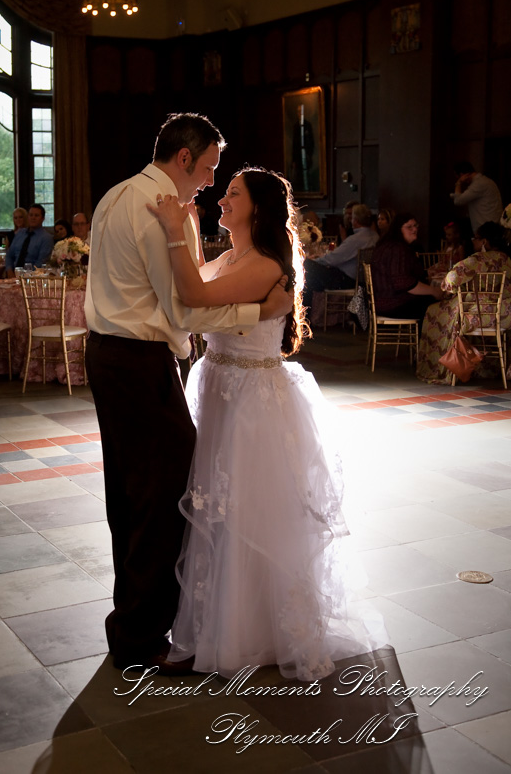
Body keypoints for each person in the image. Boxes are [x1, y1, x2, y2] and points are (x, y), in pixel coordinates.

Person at [149, 167, 385, 679]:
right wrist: (189, 234)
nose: (222, 199)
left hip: (251, 401)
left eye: (233, 194)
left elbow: (195, 296)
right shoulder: (233, 257)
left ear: (258, 208)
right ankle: (215, 626)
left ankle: (248, 633)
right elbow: (195, 279)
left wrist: (174, 230)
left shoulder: (264, 263)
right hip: (220, 386)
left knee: (246, 511)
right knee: (217, 507)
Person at [84, 113, 292, 675]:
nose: (210, 182)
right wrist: (257, 312)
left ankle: (131, 621)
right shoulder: (160, 210)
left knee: (130, 492)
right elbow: (184, 308)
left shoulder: (115, 196)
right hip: (139, 360)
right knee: (162, 495)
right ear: (184, 159)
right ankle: (141, 633)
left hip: (107, 354)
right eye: (208, 168)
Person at [417, 221, 511, 384]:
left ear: (484, 242)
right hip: (504, 314)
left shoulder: (477, 259)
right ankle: (489, 367)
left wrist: (447, 287)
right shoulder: (507, 259)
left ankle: (443, 367)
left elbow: (451, 279)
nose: (473, 241)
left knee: (433, 311)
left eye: (476, 238)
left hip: (477, 314)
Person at [371, 212, 443, 325]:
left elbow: (396, 274)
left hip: (381, 302)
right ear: (398, 230)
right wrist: (434, 291)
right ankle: (430, 337)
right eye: (409, 227)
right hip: (393, 305)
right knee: (439, 305)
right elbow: (404, 283)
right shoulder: (397, 249)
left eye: (415, 226)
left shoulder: (388, 245)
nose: (414, 229)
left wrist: (425, 274)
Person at [303, 203, 378, 309]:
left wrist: (315, 261)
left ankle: (307, 310)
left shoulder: (355, 239)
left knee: (306, 265)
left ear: (355, 220)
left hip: (345, 281)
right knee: (311, 278)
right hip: (362, 280)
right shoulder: (374, 236)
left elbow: (332, 259)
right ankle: (312, 310)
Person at [450, 161, 503, 235]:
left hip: (487, 229)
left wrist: (458, 183)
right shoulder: (485, 181)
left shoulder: (478, 184)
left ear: (462, 175)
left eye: (458, 178)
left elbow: (458, 201)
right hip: (492, 226)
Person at [4, 204, 53, 276]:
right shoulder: (20, 233)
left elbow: (41, 263)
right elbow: (9, 255)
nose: (33, 218)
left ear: (42, 218)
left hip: (33, 276)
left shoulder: (46, 238)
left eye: (36, 215)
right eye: (31, 215)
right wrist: (9, 271)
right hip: (14, 273)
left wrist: (27, 276)